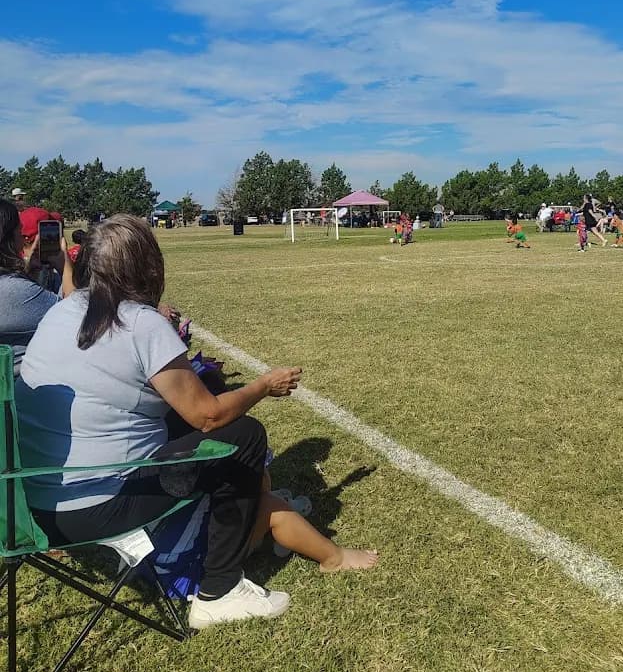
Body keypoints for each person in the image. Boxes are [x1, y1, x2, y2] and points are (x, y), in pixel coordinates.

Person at [15, 215, 377, 631]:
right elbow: (208, 414)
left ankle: (258, 506)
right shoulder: (140, 323)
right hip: (97, 504)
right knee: (244, 436)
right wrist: (263, 385)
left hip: (35, 502)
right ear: (148, 265)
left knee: (182, 421)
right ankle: (219, 591)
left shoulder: (64, 310)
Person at [0, 198, 74, 376]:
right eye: (19, 231)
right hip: (17, 389)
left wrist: (27, 273)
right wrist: (66, 267)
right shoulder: (13, 290)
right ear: (10, 238)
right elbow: (75, 317)